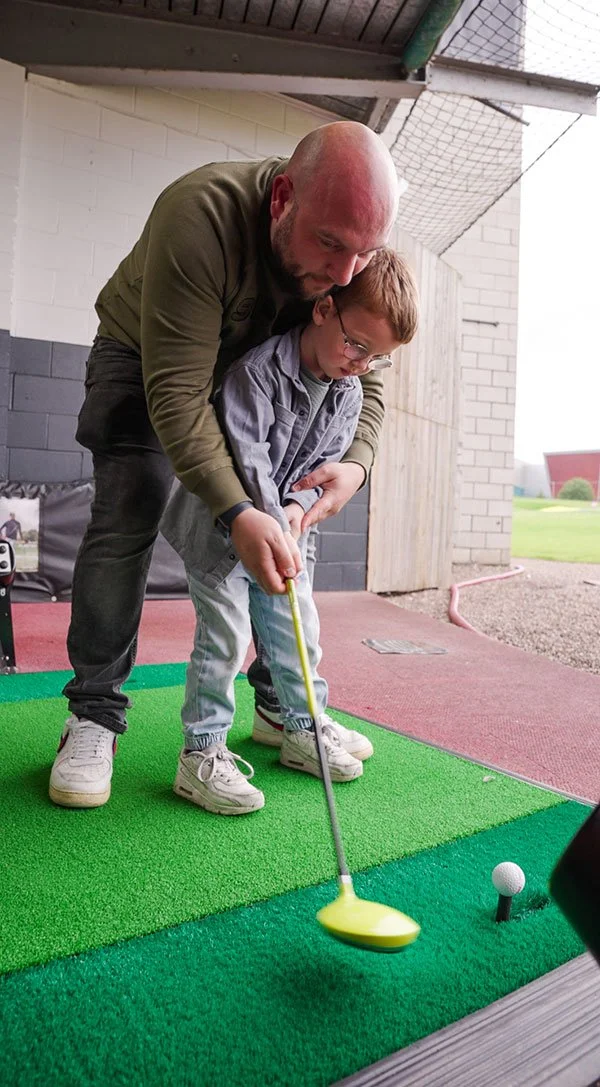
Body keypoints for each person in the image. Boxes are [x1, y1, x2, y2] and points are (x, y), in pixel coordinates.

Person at [48, 121, 400, 809]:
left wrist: (355, 464)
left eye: (365, 253)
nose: (343, 274)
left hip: (251, 371)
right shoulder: (199, 215)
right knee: (132, 502)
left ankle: (281, 710)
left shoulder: (345, 253)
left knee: (293, 514)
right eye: (330, 245)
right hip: (147, 357)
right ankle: (93, 714)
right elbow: (177, 396)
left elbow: (371, 368)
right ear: (282, 201)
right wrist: (236, 512)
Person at [161, 249, 418, 814]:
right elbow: (247, 460)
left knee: (299, 629)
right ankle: (200, 755)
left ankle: (301, 728)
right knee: (224, 638)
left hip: (283, 531)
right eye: (356, 344)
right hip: (220, 531)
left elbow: (321, 466)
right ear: (323, 309)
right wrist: (283, 518)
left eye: (377, 357)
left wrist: (300, 510)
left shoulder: (350, 392)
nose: (360, 363)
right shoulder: (257, 372)